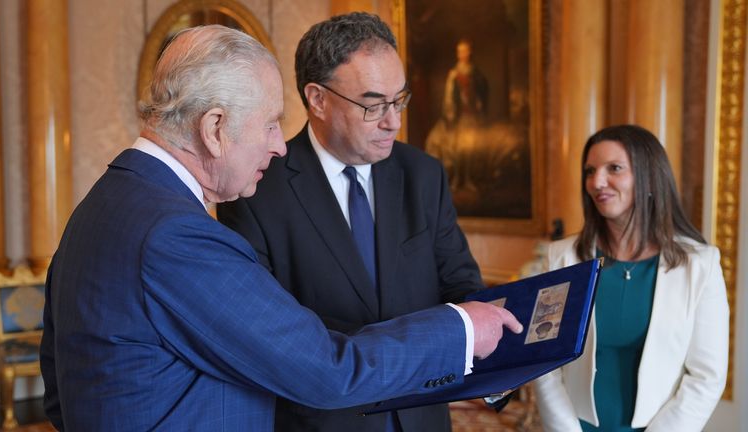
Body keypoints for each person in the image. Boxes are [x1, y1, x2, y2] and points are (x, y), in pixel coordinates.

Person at [39, 25, 525, 431]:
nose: (278, 145)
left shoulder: (102, 206)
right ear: (214, 129)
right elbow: (326, 369)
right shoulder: (176, 236)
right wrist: (459, 328)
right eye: (270, 124)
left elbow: (61, 394)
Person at [216, 13, 489, 432]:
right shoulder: (257, 190)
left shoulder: (423, 174)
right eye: (373, 104)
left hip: (423, 418)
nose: (393, 121)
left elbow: (461, 287)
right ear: (317, 99)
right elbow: (271, 336)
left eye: (399, 100)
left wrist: (499, 361)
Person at [534, 124, 729, 432]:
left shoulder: (700, 264)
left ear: (649, 177)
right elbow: (543, 361)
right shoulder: (561, 258)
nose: (597, 182)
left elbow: (707, 376)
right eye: (590, 171)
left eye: (614, 168)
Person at [425, 39, 489, 195]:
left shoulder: (475, 73)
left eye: (465, 51)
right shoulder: (453, 74)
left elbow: (482, 92)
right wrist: (450, 114)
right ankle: (457, 179)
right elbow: (449, 97)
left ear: (469, 52)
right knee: (457, 149)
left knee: (471, 150)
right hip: (458, 118)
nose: (462, 54)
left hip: (471, 116)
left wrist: (479, 104)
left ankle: (469, 180)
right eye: (460, 51)